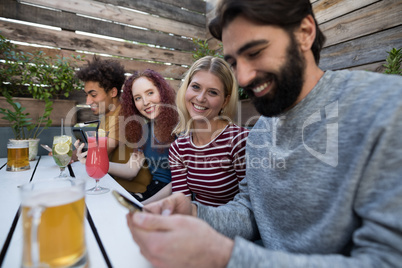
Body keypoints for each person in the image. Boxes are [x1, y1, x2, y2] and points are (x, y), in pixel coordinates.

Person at [125, 0, 402, 267]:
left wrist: (224, 257)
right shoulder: (261, 131)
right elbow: (252, 213)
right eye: (234, 62)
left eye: (255, 52)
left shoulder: (386, 107)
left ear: (304, 33)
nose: (243, 78)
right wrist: (196, 213)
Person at [79, 69, 178, 203]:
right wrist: (95, 162)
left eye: (150, 93)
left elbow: (179, 183)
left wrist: (142, 206)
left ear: (162, 92)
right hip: (152, 191)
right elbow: (131, 170)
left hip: (171, 196)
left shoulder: (180, 128)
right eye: (138, 98)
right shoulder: (144, 130)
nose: (145, 102)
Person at [170, 56, 249, 207]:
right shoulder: (179, 148)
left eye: (212, 92)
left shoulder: (239, 141)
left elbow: (252, 208)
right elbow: (183, 204)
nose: (200, 98)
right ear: (186, 88)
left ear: (225, 101)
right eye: (195, 87)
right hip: (194, 225)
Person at [75, 56, 152, 193]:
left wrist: (72, 156)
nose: (87, 101)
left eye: (93, 94)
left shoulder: (122, 117)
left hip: (131, 191)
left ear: (113, 92)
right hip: (111, 183)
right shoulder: (108, 116)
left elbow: (98, 157)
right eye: (86, 95)